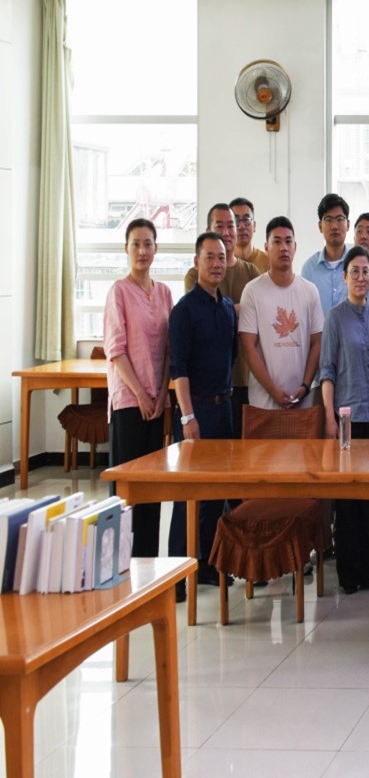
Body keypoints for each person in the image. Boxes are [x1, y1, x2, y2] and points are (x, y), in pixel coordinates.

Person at [319, 246, 369, 594]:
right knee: (349, 497)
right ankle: (350, 575)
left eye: (366, 271)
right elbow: (327, 372)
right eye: (355, 271)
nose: (361, 277)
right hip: (347, 420)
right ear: (344, 277)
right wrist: (329, 417)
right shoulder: (335, 318)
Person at [168, 232, 236, 589]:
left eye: (221, 257)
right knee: (188, 494)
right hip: (195, 412)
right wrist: (188, 416)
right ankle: (176, 576)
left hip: (224, 409)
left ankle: (207, 564)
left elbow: (230, 357)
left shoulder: (227, 307)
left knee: (215, 493)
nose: (216, 264)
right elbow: (178, 368)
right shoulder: (184, 310)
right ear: (197, 262)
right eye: (210, 257)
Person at [105, 218, 174, 557]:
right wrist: (141, 394)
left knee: (152, 489)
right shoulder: (119, 291)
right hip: (129, 404)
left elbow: (169, 349)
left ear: (156, 248)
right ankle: (119, 564)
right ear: (126, 249)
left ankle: (148, 564)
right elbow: (116, 350)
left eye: (148, 244)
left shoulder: (164, 293)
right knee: (128, 490)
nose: (142, 250)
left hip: (157, 403)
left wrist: (160, 395)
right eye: (136, 244)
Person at [187, 203, 259, 437]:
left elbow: (260, 315)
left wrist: (230, 309)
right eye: (220, 226)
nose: (227, 232)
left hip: (247, 378)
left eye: (231, 226)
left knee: (245, 451)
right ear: (208, 230)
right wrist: (241, 309)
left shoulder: (252, 272)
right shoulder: (194, 274)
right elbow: (205, 316)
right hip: (208, 387)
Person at [238, 216, 324, 411]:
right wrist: (273, 390)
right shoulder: (252, 291)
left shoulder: (310, 291)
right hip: (264, 404)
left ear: (295, 246)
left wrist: (305, 386)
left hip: (302, 403)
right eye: (276, 242)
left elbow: (317, 343)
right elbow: (248, 347)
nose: (283, 247)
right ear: (266, 247)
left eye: (288, 241)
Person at [301, 193, 352, 313]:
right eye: (328, 220)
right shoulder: (309, 269)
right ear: (320, 226)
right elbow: (303, 311)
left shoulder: (358, 264)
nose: (334, 226)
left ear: (348, 225)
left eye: (340, 219)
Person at [230, 196, 268, 273]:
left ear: (254, 226)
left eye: (246, 220)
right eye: (236, 220)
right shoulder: (222, 263)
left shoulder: (268, 262)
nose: (241, 226)